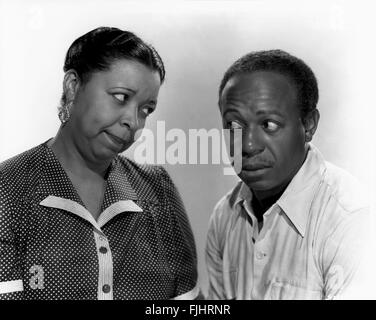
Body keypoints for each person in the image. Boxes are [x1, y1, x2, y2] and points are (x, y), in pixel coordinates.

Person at [0, 27, 199, 300]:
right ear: (73, 87)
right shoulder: (8, 190)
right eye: (121, 97)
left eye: (146, 109)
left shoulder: (158, 190)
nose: (134, 120)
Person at [205, 49, 370, 300]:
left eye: (269, 125)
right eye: (234, 126)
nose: (248, 145)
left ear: (309, 125)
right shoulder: (224, 215)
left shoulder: (351, 218)